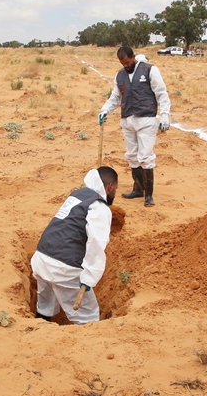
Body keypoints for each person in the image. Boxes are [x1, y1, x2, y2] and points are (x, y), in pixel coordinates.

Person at [31, 167, 118, 325]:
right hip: (64, 268)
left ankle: (38, 329)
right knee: (88, 315)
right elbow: (96, 243)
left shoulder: (76, 195)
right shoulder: (99, 207)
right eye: (115, 189)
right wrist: (89, 277)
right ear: (110, 187)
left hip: (40, 258)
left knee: (45, 302)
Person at [97, 46, 171, 207]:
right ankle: (138, 188)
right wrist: (105, 110)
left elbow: (161, 93)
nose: (125, 65)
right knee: (132, 155)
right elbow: (115, 97)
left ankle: (149, 196)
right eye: (122, 63)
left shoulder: (150, 70)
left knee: (145, 157)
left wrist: (165, 115)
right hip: (127, 120)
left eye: (127, 62)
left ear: (133, 57)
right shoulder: (120, 75)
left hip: (146, 120)